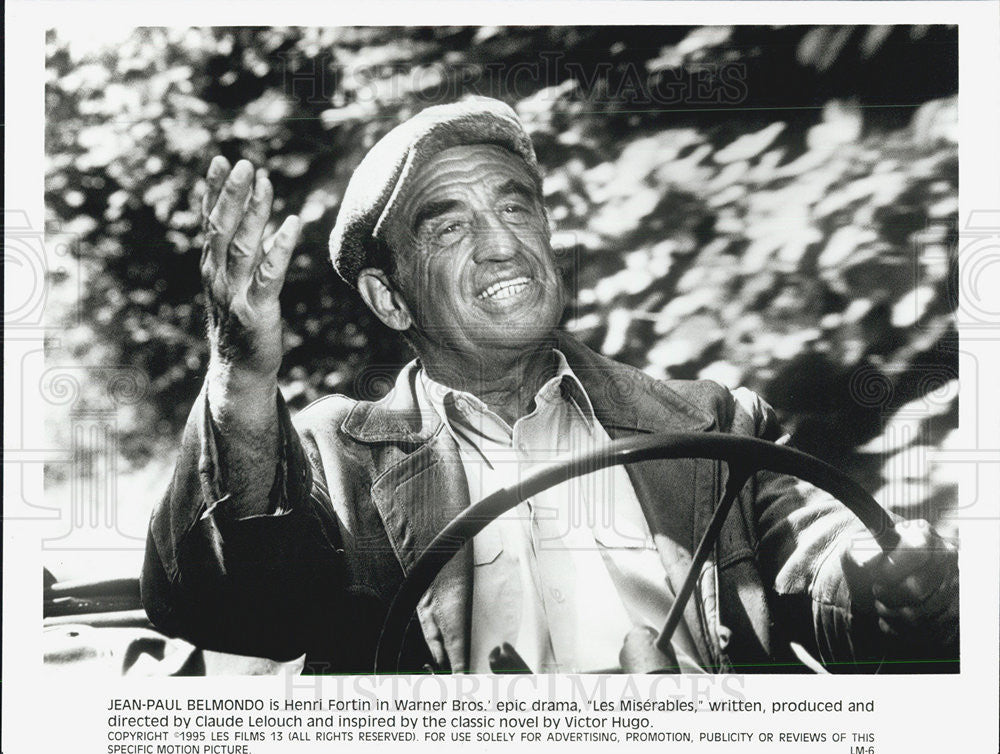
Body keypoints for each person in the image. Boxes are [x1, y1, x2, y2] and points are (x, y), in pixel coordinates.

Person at [141, 97, 958, 674]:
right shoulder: (329, 459)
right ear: (390, 298)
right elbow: (222, 609)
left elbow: (817, 561)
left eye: (517, 208)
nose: (503, 246)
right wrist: (240, 370)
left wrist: (875, 576)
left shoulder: (715, 421)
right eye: (451, 226)